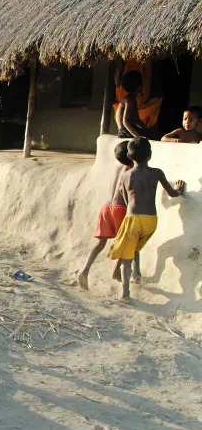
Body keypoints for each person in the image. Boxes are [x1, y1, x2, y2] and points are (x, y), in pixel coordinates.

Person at [108, 138, 185, 303]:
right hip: (151, 221)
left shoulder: (125, 175)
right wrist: (180, 190)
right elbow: (172, 193)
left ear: (129, 156)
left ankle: (125, 295)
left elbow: (124, 197)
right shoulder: (157, 172)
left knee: (126, 256)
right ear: (150, 155)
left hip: (133, 218)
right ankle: (136, 274)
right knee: (135, 246)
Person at [78, 142, 134, 290]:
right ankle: (116, 270)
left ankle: (85, 270)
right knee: (126, 242)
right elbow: (124, 192)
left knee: (100, 243)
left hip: (106, 207)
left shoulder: (117, 168)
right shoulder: (130, 171)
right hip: (120, 209)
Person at [115, 71, 158, 140]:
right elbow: (125, 121)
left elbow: (137, 120)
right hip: (125, 132)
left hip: (126, 131)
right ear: (138, 86)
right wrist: (138, 137)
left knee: (152, 132)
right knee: (154, 136)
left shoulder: (132, 99)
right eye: (141, 83)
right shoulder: (129, 100)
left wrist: (146, 129)